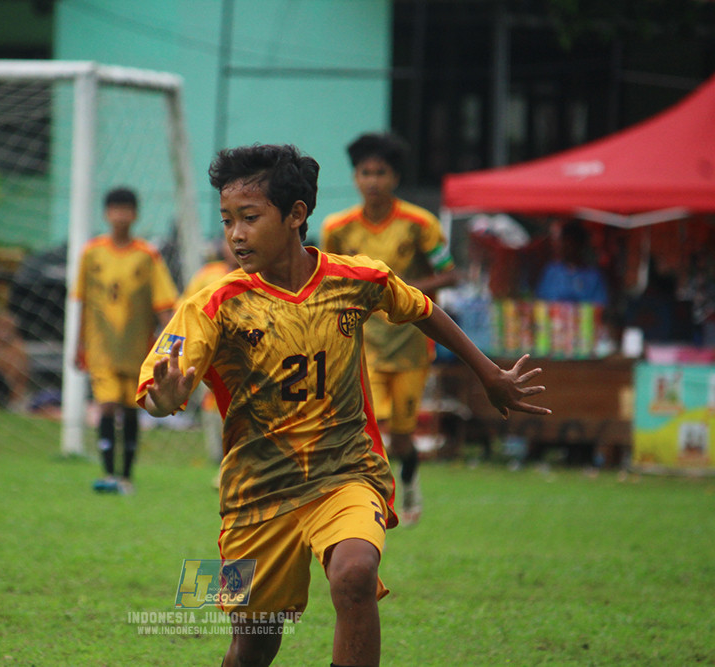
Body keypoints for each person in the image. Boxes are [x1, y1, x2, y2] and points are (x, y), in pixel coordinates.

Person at [137, 144, 549, 667]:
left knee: (354, 575)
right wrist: (164, 399)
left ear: (296, 215)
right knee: (254, 643)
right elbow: (159, 385)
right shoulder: (214, 304)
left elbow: (422, 307)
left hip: (345, 472)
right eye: (227, 220)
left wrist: (487, 372)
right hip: (258, 492)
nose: (235, 234)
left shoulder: (356, 280)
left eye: (249, 217)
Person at [320, 132, 458, 525]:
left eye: (380, 173)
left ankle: (409, 482)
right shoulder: (338, 228)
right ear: (355, 178)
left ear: (395, 177)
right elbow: (327, 280)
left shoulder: (420, 224)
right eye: (365, 173)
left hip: (412, 344)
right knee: (371, 429)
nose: (373, 181)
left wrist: (400, 290)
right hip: (364, 345)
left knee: (401, 438)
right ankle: (376, 503)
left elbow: (450, 274)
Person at [76, 187, 178, 495]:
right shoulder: (91, 253)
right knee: (107, 405)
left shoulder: (147, 256)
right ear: (106, 214)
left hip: (137, 350)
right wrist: (78, 345)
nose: (120, 216)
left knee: (131, 408)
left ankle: (126, 475)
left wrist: (172, 346)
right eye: (115, 210)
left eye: (126, 210)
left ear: (135, 215)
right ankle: (109, 473)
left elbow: (165, 305)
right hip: (101, 348)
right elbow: (82, 301)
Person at [179, 236, 238, 468]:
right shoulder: (207, 275)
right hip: (214, 356)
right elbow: (185, 310)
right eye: (227, 241)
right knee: (213, 398)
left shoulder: (264, 276)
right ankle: (221, 457)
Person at [535, 220, 608, 305]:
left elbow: (600, 305)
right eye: (563, 242)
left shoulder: (593, 276)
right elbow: (540, 301)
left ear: (580, 244)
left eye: (570, 243)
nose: (566, 247)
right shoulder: (551, 272)